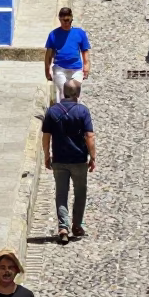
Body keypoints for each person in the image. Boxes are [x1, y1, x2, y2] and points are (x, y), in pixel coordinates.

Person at [42, 81, 96, 241]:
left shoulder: (52, 112)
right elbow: (89, 137)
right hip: (79, 159)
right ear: (78, 94)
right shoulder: (82, 111)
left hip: (59, 159)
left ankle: (63, 227)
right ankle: (77, 225)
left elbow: (46, 136)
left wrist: (47, 155)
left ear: (63, 92)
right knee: (80, 193)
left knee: (61, 193)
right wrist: (92, 157)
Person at [44, 7, 90, 100]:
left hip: (76, 69)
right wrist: (47, 70)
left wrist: (86, 66)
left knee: (76, 94)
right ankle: (62, 113)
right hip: (60, 68)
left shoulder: (80, 33)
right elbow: (48, 55)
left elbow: (85, 51)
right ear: (59, 19)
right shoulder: (53, 34)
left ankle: (76, 113)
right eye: (63, 20)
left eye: (67, 20)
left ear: (71, 18)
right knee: (63, 93)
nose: (65, 22)